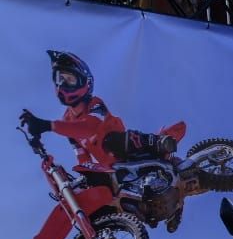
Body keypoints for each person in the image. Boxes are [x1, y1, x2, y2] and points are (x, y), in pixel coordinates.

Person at [19, 51, 186, 228]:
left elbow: (89, 127)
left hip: (126, 147)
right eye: (59, 79)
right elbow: (82, 157)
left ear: (85, 81)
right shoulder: (67, 120)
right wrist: (86, 178)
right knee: (99, 198)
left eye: (69, 79)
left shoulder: (95, 104)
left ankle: (157, 142)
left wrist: (47, 125)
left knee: (111, 141)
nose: (63, 84)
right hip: (113, 168)